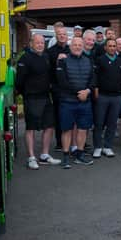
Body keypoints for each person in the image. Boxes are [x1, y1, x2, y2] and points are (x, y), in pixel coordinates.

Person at [16, 34, 61, 169]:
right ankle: (31, 157)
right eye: (37, 43)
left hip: (45, 97)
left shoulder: (46, 56)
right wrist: (23, 93)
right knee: (31, 128)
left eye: (42, 43)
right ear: (32, 44)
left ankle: (44, 155)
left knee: (49, 126)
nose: (40, 45)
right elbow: (19, 80)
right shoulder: (25, 58)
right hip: (31, 97)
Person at [56, 37, 94, 168]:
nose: (77, 47)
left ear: (83, 46)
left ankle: (80, 154)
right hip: (68, 101)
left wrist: (87, 91)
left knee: (83, 129)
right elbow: (62, 81)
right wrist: (79, 93)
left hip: (85, 102)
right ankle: (66, 156)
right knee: (66, 129)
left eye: (79, 45)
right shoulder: (63, 61)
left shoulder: (88, 61)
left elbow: (93, 80)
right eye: (75, 45)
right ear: (70, 46)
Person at [92, 39, 121, 159]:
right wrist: (95, 90)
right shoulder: (100, 60)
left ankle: (107, 146)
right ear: (105, 47)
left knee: (112, 123)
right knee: (99, 123)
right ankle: (97, 147)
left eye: (114, 46)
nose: (112, 48)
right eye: (110, 46)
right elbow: (94, 76)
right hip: (102, 96)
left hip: (116, 97)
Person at [46, 22, 70, 151]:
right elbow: (47, 70)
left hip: (70, 88)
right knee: (59, 114)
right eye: (60, 34)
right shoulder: (50, 51)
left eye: (64, 34)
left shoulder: (71, 49)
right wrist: (57, 61)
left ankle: (70, 141)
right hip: (57, 88)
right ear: (56, 36)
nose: (62, 36)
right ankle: (60, 142)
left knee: (70, 114)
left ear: (67, 36)